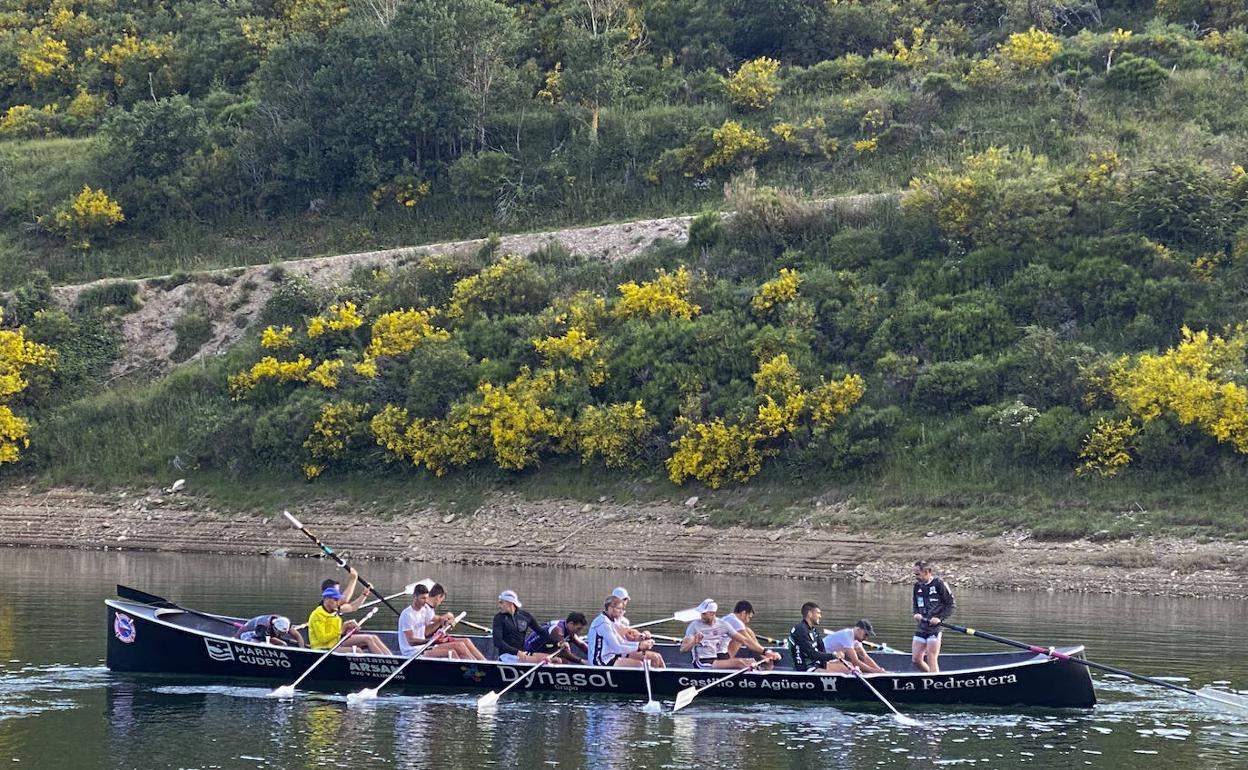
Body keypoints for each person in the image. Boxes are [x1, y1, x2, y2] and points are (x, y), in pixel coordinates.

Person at [680, 599, 781, 670]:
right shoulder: (694, 626)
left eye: (704, 613)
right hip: (702, 662)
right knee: (740, 663)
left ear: (712, 613)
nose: (701, 616)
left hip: (715, 659)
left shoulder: (723, 624)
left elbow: (745, 641)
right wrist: (693, 642)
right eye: (701, 613)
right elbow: (683, 649)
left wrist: (765, 652)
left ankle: (760, 671)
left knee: (747, 662)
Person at [397, 584, 485, 661]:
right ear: (414, 596)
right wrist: (432, 641)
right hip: (413, 652)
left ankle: (481, 666)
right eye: (422, 598)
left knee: (460, 646)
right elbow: (411, 642)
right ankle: (469, 673)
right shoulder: (407, 615)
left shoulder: (423, 611)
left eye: (426, 598)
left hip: (425, 646)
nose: (425, 601)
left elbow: (438, 620)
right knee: (452, 652)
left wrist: (446, 619)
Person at [307, 586, 391, 654]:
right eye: (335, 600)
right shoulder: (317, 615)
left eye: (338, 600)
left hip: (336, 642)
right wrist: (342, 629)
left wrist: (348, 626)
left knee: (371, 638)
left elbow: (353, 606)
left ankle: (392, 660)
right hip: (323, 648)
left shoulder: (335, 610)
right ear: (327, 599)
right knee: (358, 651)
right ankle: (384, 663)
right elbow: (323, 639)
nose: (337, 602)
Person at [586, 596, 665, 668]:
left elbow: (622, 642)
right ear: (610, 609)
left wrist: (641, 640)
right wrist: (639, 646)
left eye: (622, 609)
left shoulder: (613, 621)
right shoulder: (603, 624)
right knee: (639, 665)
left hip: (613, 655)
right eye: (619, 609)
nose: (622, 612)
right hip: (600, 661)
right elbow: (617, 648)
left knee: (656, 658)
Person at [492, 590, 564, 664]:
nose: (499, 606)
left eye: (501, 603)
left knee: (557, 660)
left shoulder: (525, 616)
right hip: (507, 656)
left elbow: (542, 632)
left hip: (523, 653)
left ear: (510, 603)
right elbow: (498, 642)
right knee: (547, 662)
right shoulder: (498, 618)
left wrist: (558, 643)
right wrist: (517, 652)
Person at [912, 560, 956, 673]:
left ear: (926, 572)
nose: (915, 577)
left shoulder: (939, 584)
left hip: (935, 628)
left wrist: (940, 618)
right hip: (922, 626)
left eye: (917, 574)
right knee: (916, 659)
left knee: (931, 657)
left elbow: (951, 605)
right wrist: (916, 613)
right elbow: (915, 603)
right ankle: (929, 677)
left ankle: (934, 679)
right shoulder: (917, 586)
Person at [789, 602, 846, 673]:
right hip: (804, 667)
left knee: (847, 666)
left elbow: (821, 648)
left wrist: (826, 664)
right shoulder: (800, 630)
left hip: (815, 664)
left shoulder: (813, 630)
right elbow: (812, 654)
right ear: (810, 614)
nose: (820, 616)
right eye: (818, 613)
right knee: (830, 673)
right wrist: (833, 655)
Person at [525, 612, 589, 664]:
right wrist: (582, 661)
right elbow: (564, 652)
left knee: (565, 661)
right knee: (558, 661)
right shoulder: (557, 630)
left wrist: (593, 655)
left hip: (544, 649)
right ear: (571, 624)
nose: (579, 632)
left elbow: (581, 644)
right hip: (528, 652)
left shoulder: (568, 629)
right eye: (578, 629)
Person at [236, 614, 303, 647]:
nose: (282, 635)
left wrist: (301, 649)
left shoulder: (284, 623)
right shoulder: (263, 628)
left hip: (263, 634)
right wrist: (283, 644)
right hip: (247, 634)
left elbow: (298, 636)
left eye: (284, 633)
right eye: (280, 633)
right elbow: (271, 640)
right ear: (274, 628)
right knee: (264, 645)